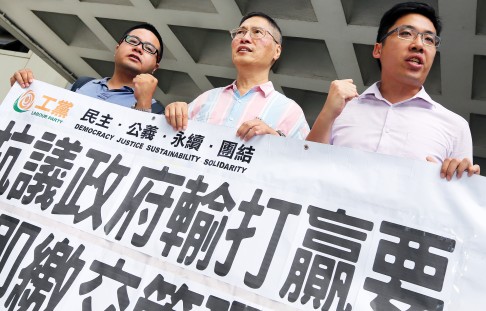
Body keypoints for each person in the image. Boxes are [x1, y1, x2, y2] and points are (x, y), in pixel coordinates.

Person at [306, 2, 480, 180]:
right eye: (406, 33)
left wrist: (457, 181)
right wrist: (327, 115)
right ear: (378, 49)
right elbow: (304, 170)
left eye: (429, 39)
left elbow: (453, 202)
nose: (419, 45)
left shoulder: (455, 127)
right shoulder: (341, 109)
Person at [164, 12, 310, 140]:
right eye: (240, 32)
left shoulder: (290, 111)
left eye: (257, 32)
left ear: (277, 51)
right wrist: (174, 114)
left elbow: (304, 163)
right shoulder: (206, 99)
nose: (245, 38)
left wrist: (275, 141)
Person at [10, 23, 164, 113]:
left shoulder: (156, 109)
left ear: (155, 67)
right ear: (117, 48)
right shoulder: (82, 84)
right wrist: (22, 91)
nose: (138, 48)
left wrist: (144, 104)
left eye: (149, 49)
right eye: (133, 41)